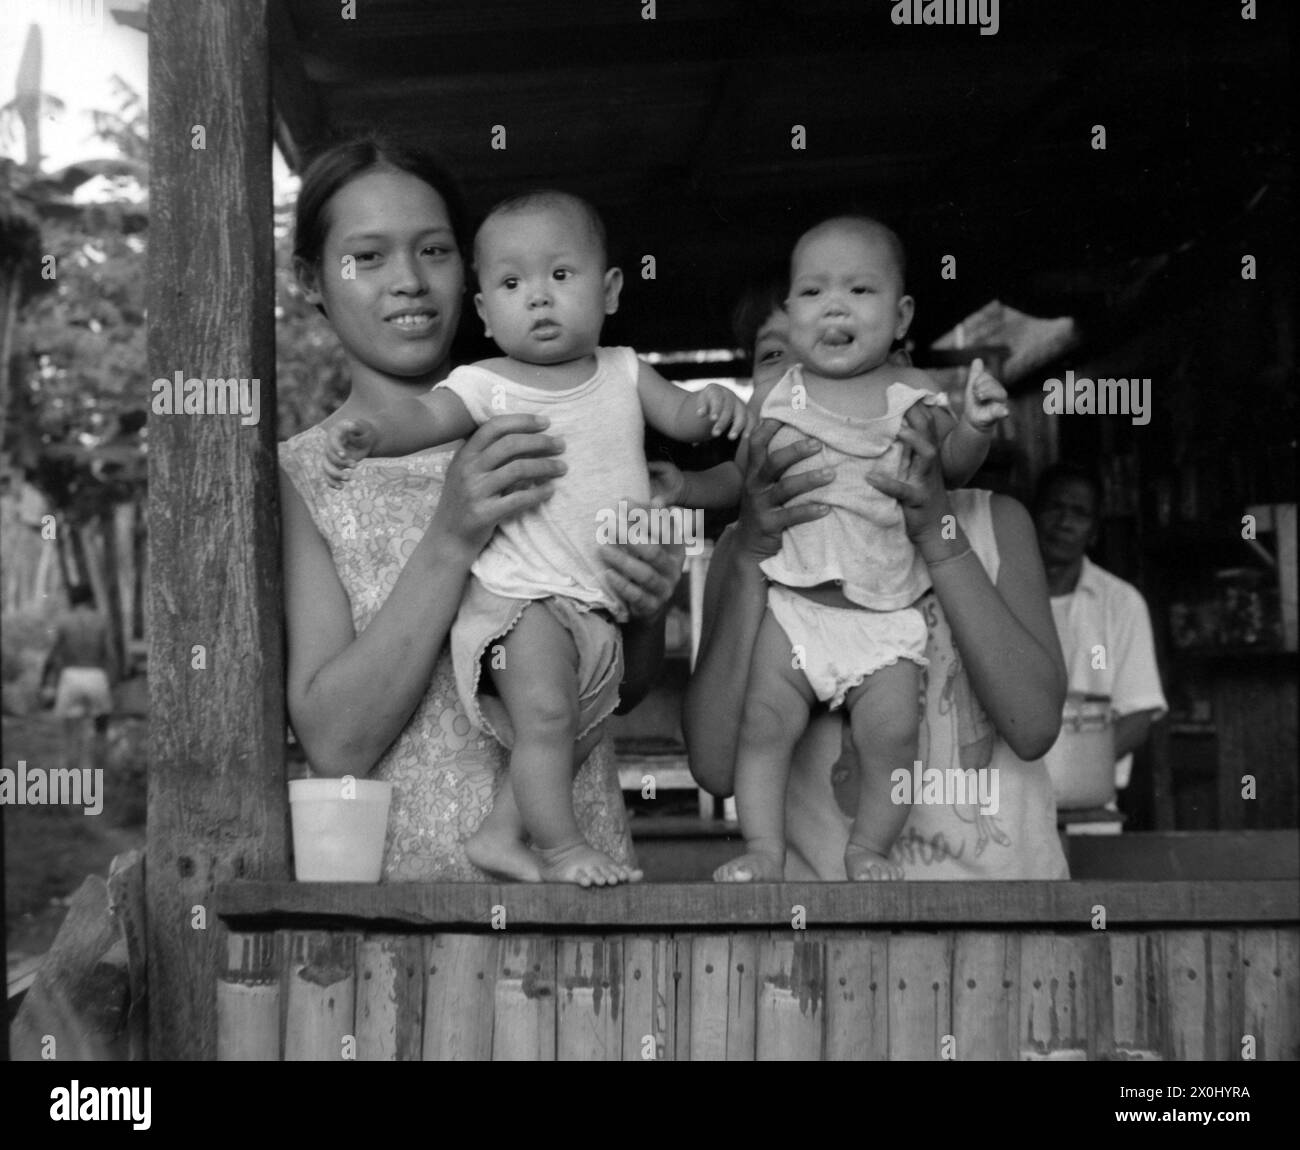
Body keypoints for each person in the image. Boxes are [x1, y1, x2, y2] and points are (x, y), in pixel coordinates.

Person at [278, 140, 684, 885]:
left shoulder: (567, 422)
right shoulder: (302, 476)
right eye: (367, 258)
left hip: (579, 885)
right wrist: (452, 533)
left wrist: (648, 611)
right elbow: (335, 743)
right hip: (406, 919)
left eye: (433, 250)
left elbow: (624, 691)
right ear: (312, 279)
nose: (408, 281)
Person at [685, 293, 1071, 881]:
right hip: (825, 928)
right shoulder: (745, 551)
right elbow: (714, 769)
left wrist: (937, 534)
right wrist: (751, 557)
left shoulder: (992, 525)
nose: (809, 377)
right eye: (775, 357)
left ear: (893, 367)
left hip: (1005, 919)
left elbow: (1035, 726)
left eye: (835, 351)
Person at [1032, 463, 1167, 807]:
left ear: (1094, 531)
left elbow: (1137, 717)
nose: (1064, 523)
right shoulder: (996, 595)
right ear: (1032, 516)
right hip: (1008, 802)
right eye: (1054, 508)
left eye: (1079, 513)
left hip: (1087, 801)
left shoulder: (1121, 603)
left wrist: (1069, 773)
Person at [42, 584, 116, 718]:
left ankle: (75, 739)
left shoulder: (63, 621)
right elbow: (110, 655)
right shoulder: (101, 621)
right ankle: (99, 738)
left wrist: (45, 680)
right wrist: (112, 683)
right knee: (101, 726)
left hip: (70, 676)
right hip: (96, 676)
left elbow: (53, 655)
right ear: (91, 599)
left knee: (71, 733)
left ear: (72, 600)